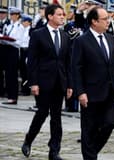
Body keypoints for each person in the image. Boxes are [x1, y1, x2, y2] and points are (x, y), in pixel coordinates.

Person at [21, 4, 73, 160]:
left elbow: (68, 62)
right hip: (43, 82)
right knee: (42, 113)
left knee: (56, 117)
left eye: (63, 14)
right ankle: (28, 140)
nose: (63, 17)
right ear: (50, 16)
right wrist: (33, 83)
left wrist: (70, 84)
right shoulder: (38, 34)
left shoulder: (65, 36)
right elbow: (32, 61)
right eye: (59, 14)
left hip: (60, 82)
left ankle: (54, 151)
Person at [72, 7, 114, 160]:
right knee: (88, 129)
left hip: (109, 92)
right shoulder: (82, 41)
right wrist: (80, 92)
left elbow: (113, 66)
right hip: (90, 92)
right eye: (105, 19)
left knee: (109, 124)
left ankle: (91, 153)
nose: (108, 22)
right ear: (94, 21)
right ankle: (90, 157)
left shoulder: (110, 39)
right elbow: (76, 69)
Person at [1, 6, 24, 105]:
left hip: (13, 50)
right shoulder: (9, 26)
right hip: (5, 49)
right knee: (7, 74)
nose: (11, 16)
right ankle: (9, 95)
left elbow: (19, 42)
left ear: (18, 15)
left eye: (13, 14)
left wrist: (9, 40)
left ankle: (13, 97)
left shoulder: (20, 27)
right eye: (11, 14)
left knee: (12, 74)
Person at [19, 14, 33, 96]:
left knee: (27, 72)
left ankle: (26, 90)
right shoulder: (22, 29)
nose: (22, 23)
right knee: (22, 71)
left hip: (28, 50)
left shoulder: (31, 30)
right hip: (22, 50)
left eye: (24, 21)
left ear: (28, 22)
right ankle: (23, 88)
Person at [0, 6, 9, 97]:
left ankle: (6, 90)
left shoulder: (9, 23)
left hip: (6, 48)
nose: (1, 15)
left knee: (7, 71)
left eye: (3, 13)